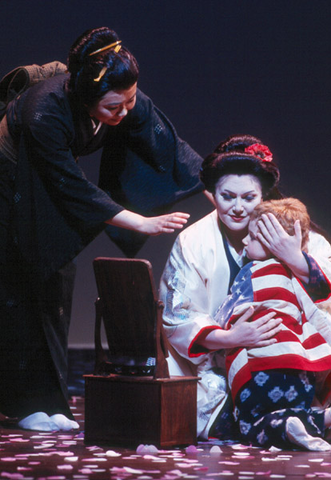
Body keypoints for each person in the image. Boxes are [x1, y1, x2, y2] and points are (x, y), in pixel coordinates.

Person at [0, 27, 206, 431]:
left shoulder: (119, 92)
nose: (125, 112)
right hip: (10, 185)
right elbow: (69, 185)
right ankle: (24, 405)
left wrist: (214, 181)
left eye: (130, 100)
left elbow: (162, 139)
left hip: (44, 182)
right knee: (19, 286)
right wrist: (138, 220)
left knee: (56, 281)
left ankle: (48, 400)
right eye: (115, 107)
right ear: (83, 97)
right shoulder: (43, 110)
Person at [159, 134, 331, 440]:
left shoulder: (298, 234)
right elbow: (178, 314)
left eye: (248, 198)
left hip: (296, 358)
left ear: (264, 195)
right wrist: (230, 336)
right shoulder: (194, 241)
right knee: (197, 409)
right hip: (218, 359)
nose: (238, 208)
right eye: (227, 196)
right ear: (213, 195)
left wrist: (295, 258)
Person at [214, 198, 331, 450]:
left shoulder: (253, 273)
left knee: (250, 424)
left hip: (262, 365)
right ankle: (322, 418)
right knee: (295, 408)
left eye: (253, 238)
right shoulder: (294, 275)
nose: (245, 241)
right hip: (301, 369)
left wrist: (221, 329)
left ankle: (289, 427)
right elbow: (316, 308)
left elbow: (227, 313)